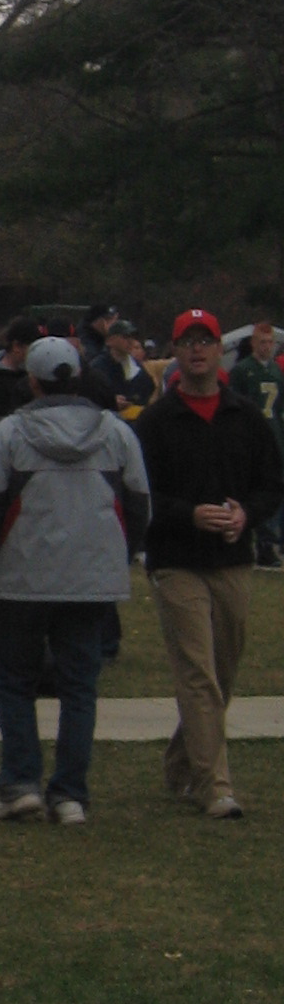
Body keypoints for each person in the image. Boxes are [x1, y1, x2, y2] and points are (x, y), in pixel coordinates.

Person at [0, 337, 150, 824]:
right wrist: (116, 557)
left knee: (16, 683)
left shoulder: (10, 434)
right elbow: (139, 504)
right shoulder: (114, 432)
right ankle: (70, 794)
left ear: (33, 380)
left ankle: (21, 782)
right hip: (90, 579)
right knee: (79, 687)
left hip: (26, 577)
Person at [132, 308, 284, 819]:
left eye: (206, 341)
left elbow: (271, 484)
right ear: (174, 353)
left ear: (220, 350)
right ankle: (216, 786)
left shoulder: (246, 418)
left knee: (222, 673)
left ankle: (181, 761)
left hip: (232, 559)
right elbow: (142, 495)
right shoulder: (156, 422)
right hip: (177, 561)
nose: (197, 350)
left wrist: (248, 515)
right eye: (187, 341)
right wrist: (188, 515)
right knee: (197, 673)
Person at [229, 314, 284, 564]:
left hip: (274, 434)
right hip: (251, 437)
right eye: (262, 342)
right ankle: (255, 538)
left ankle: (269, 541)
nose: (266, 347)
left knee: (273, 488)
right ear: (253, 343)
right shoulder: (243, 370)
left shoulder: (276, 371)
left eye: (270, 342)